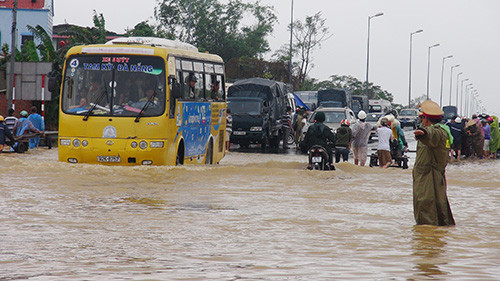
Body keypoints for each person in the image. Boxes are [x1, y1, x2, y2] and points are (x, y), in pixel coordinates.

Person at [413, 100, 455, 226]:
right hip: (432, 175)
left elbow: (431, 134)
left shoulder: (438, 132)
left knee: (425, 204)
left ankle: (428, 236)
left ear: (426, 120)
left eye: (422, 118)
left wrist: (423, 133)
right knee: (438, 204)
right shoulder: (445, 130)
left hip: (428, 176)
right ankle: (438, 233)